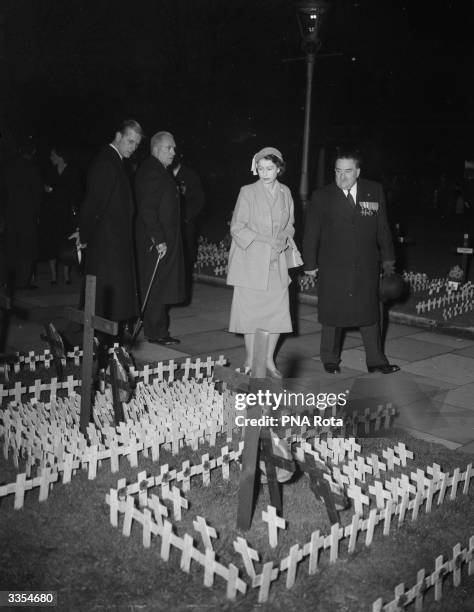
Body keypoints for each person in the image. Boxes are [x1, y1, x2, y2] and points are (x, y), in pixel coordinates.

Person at [302, 147, 399, 375]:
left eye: (347, 171)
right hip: (333, 266)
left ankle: (376, 360)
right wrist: (310, 264)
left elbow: (383, 230)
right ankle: (330, 359)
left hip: (366, 265)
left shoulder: (373, 191)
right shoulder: (322, 196)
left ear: (357, 171)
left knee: (371, 314)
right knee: (332, 315)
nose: (341, 177)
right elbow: (311, 234)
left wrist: (389, 264)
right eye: (337, 171)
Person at [226, 147, 296, 378]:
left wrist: (284, 237)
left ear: (279, 169)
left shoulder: (285, 192)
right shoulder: (247, 192)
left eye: (270, 169)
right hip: (251, 262)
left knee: (277, 314)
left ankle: (268, 361)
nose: (265, 173)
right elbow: (237, 227)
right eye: (261, 168)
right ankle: (250, 360)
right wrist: (266, 240)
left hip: (276, 262)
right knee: (250, 316)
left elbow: (290, 224)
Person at [79, 119, 143, 342]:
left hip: (114, 242)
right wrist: (84, 235)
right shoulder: (106, 162)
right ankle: (104, 345)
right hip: (107, 244)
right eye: (129, 141)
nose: (132, 147)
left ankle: (109, 343)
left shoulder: (115, 161)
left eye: (136, 144)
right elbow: (94, 204)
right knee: (107, 303)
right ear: (118, 135)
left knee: (112, 301)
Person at [135, 131, 185, 345]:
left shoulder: (158, 170)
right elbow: (147, 208)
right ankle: (155, 332)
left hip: (165, 238)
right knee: (155, 285)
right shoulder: (152, 172)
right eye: (169, 148)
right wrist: (158, 239)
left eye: (173, 148)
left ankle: (157, 329)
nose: (173, 152)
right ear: (156, 149)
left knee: (160, 284)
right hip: (158, 241)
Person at [2, 139, 42, 289]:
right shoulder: (33, 169)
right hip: (27, 215)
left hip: (11, 213)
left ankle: (9, 280)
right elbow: (38, 195)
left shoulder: (9, 168)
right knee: (27, 250)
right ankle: (23, 282)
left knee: (12, 248)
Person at [42, 145, 83, 285]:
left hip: (66, 214)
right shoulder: (50, 171)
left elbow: (75, 192)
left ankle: (66, 276)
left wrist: (55, 190)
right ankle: (53, 276)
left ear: (60, 156)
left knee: (66, 243)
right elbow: (46, 190)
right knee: (51, 243)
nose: (51, 157)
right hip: (52, 213)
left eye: (53, 155)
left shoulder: (72, 170)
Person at [171, 154, 205, 296]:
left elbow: (199, 200)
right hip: (170, 225)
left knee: (186, 256)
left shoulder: (190, 175)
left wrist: (185, 218)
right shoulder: (164, 173)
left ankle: (184, 289)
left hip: (185, 225)